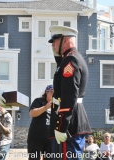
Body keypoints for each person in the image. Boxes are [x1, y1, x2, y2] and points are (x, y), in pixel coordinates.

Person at [48, 25, 91, 160]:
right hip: (71, 120)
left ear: (65, 40)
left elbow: (69, 96)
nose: (53, 45)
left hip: (69, 124)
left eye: (55, 41)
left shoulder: (70, 61)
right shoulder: (69, 59)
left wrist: (61, 126)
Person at [27, 85, 53, 160]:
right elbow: (32, 113)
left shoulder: (57, 104)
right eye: (51, 92)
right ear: (46, 92)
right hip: (36, 139)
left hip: (50, 139)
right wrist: (45, 107)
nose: (53, 94)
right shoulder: (39, 101)